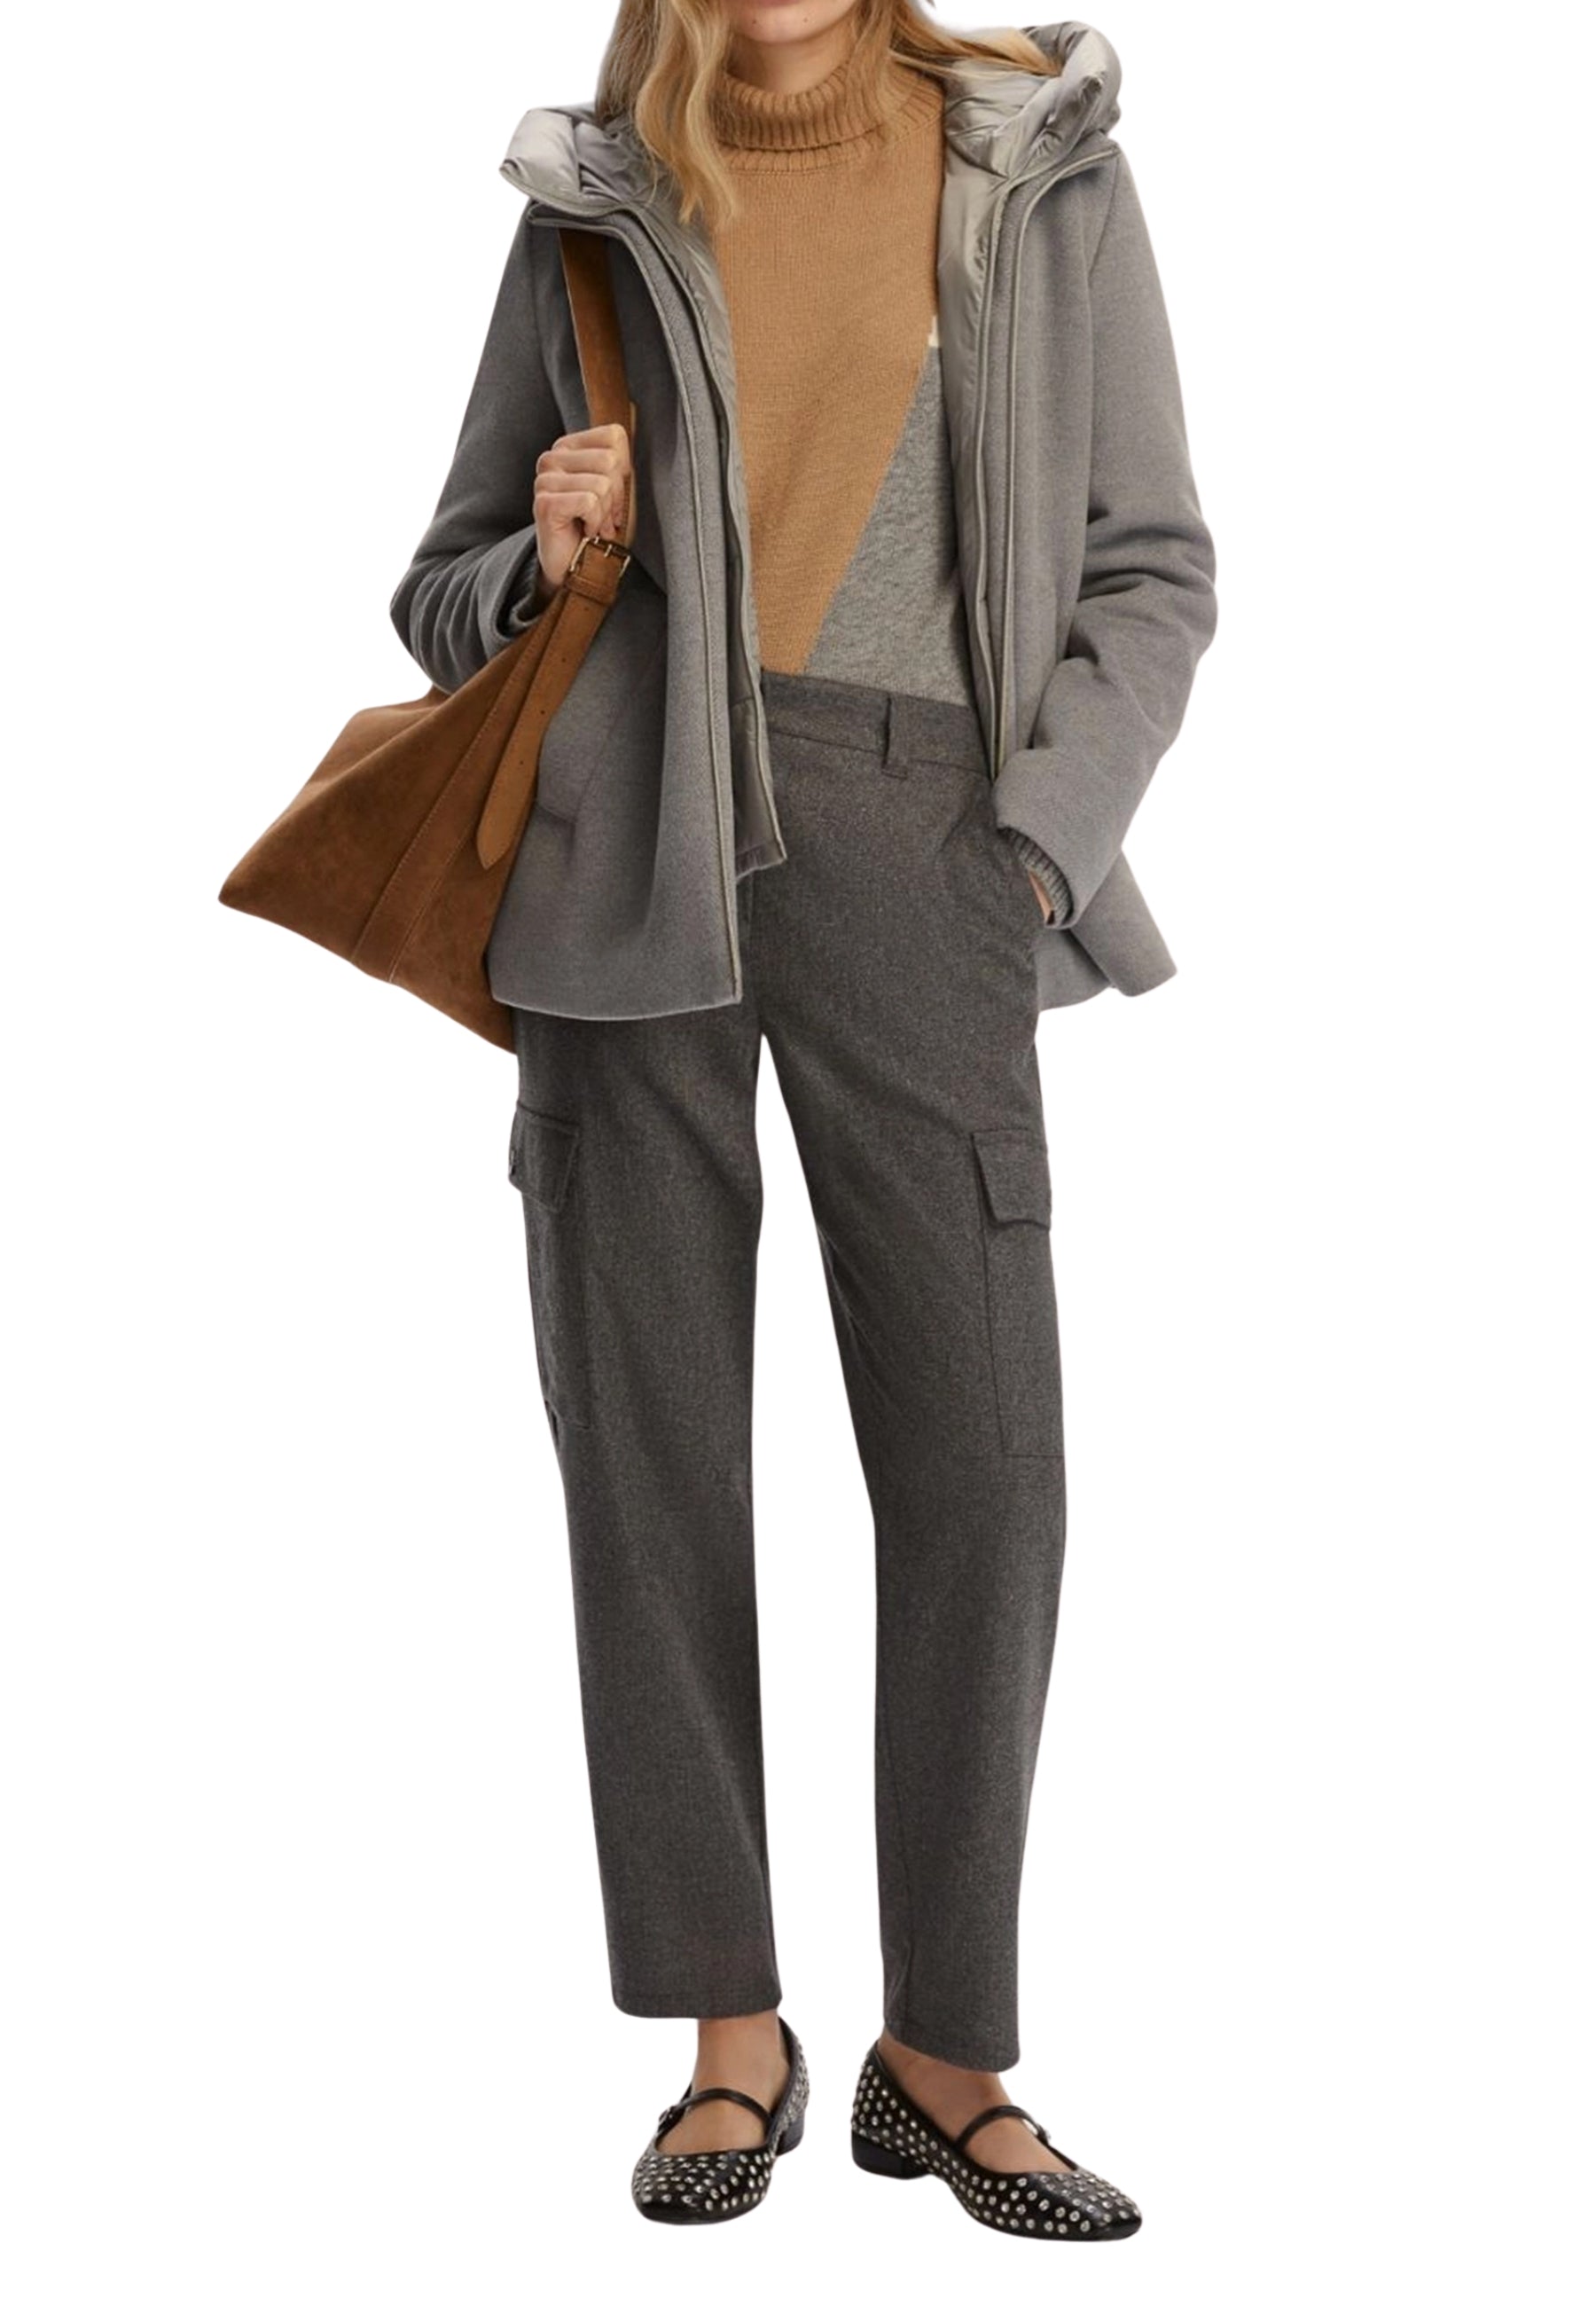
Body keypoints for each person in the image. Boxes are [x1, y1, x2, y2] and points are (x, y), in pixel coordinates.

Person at [389, 0, 1216, 2238]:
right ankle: (727, 2036)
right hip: (621, 852)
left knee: (982, 1461)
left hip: (925, 833)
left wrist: (1027, 845)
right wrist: (545, 552)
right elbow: (442, 590)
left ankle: (947, 2057)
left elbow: (1153, 561)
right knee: (648, 1451)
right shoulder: (593, 200)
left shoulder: (1035, 161)